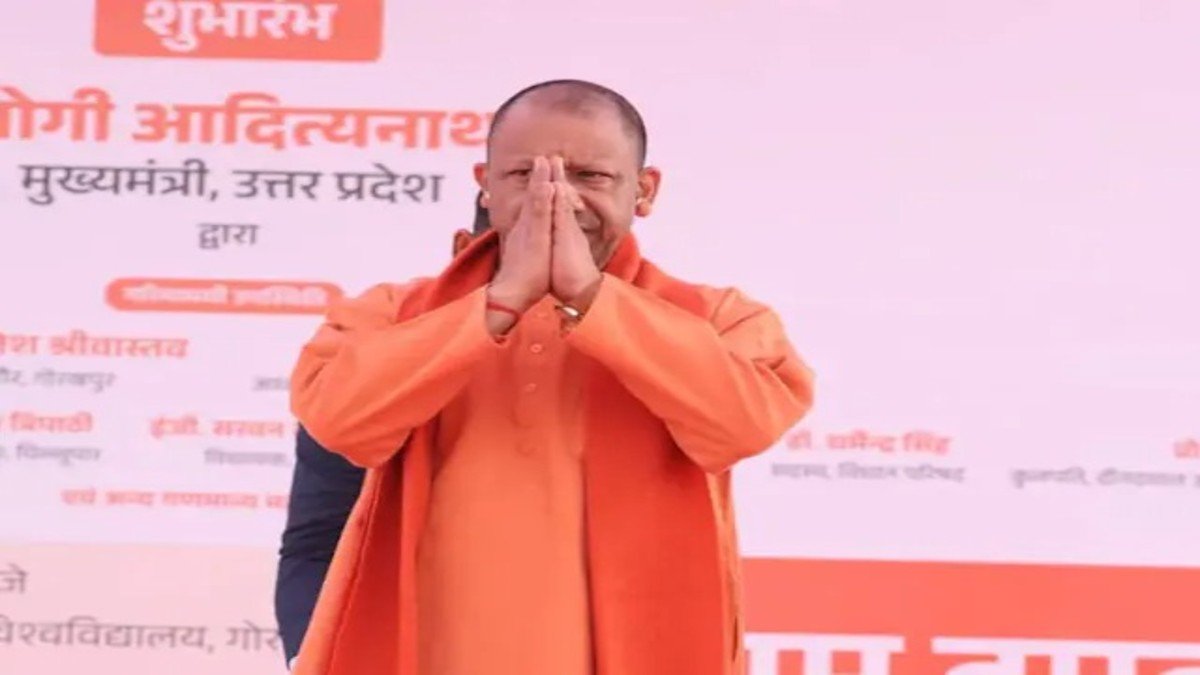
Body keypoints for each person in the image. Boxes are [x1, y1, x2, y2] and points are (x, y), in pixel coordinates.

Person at [287, 79, 815, 675]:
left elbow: (742, 425)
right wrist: (500, 301)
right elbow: (340, 422)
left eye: (590, 176)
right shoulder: (387, 315)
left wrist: (589, 296)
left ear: (644, 191)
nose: (558, 200)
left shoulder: (721, 319)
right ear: (485, 185)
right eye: (525, 176)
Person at [274, 194, 490, 666]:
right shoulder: (377, 334)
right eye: (517, 258)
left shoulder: (636, 336)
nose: (541, 284)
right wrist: (314, 661)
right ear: (463, 250)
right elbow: (319, 544)